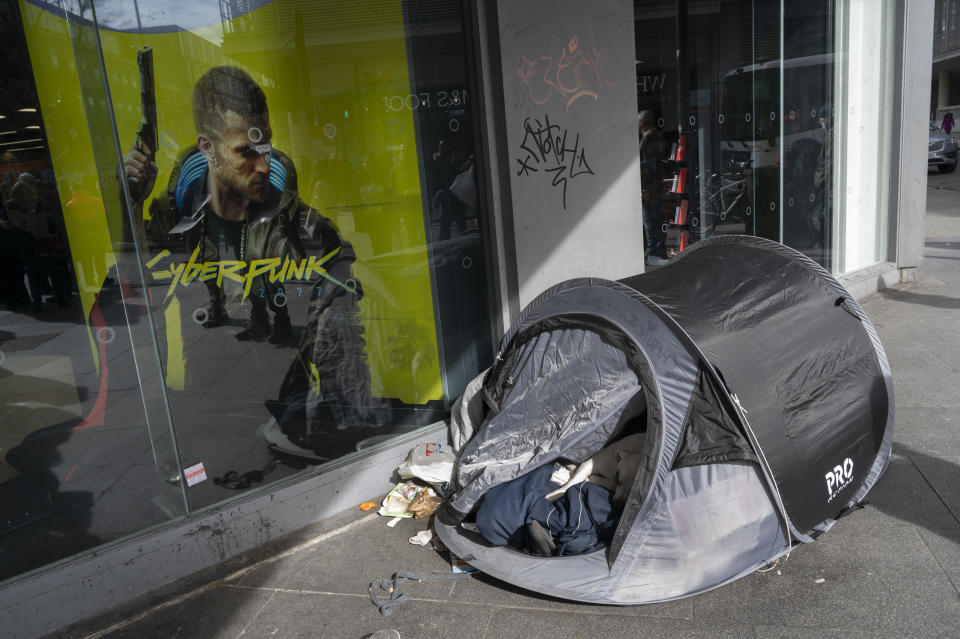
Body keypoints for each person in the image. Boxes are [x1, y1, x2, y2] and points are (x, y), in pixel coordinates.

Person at [638, 110, 667, 264]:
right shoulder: (659, 136)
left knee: (649, 220)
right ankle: (659, 249)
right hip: (657, 185)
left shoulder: (647, 139)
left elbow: (648, 165)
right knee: (657, 218)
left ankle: (652, 253)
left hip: (649, 188)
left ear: (642, 122)